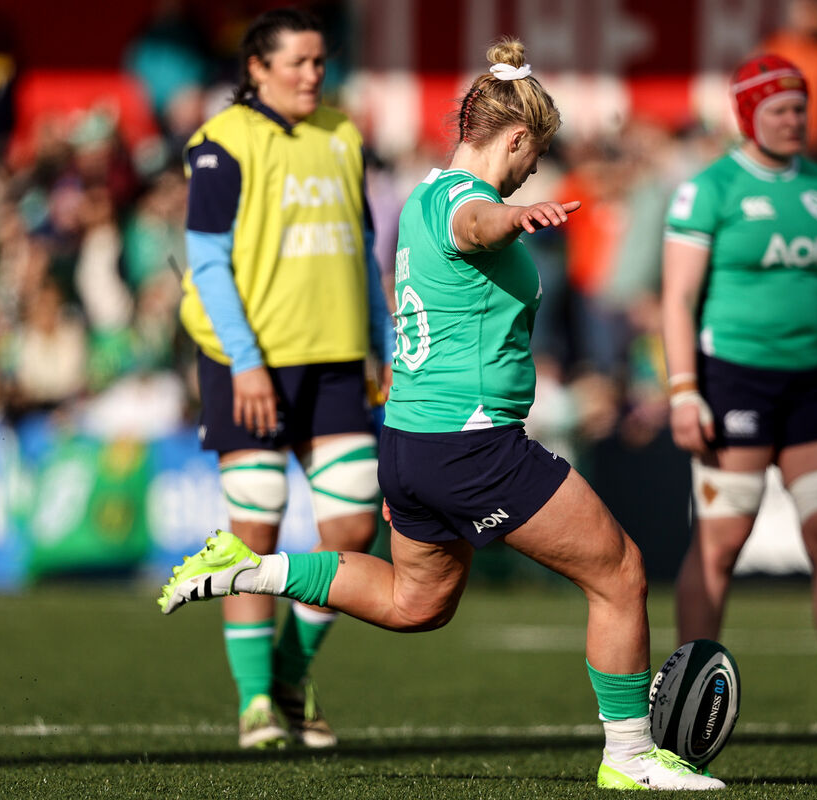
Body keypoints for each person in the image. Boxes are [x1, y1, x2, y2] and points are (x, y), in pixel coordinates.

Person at [161, 37, 724, 791]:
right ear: (518, 140)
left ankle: (251, 568)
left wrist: (509, 212)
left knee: (414, 603)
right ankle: (628, 758)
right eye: (534, 154)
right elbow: (478, 225)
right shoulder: (469, 203)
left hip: (412, 442)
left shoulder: (424, 192)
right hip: (474, 445)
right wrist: (517, 215)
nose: (533, 169)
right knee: (620, 572)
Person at [177, 8, 394, 749]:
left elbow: (362, 245)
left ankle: (292, 674)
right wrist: (243, 360)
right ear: (256, 69)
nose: (312, 74)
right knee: (256, 524)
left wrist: (381, 340)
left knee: (353, 529)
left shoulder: (343, 134)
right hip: (252, 364)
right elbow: (205, 261)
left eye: (319, 62)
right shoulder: (221, 143)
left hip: (336, 359)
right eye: (297, 62)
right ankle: (255, 704)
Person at [661, 54, 817, 741]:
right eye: (780, 110)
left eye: (801, 108)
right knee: (720, 546)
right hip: (733, 379)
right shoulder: (708, 190)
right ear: (747, 115)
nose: (795, 121)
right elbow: (676, 298)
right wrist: (682, 391)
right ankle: (684, 702)